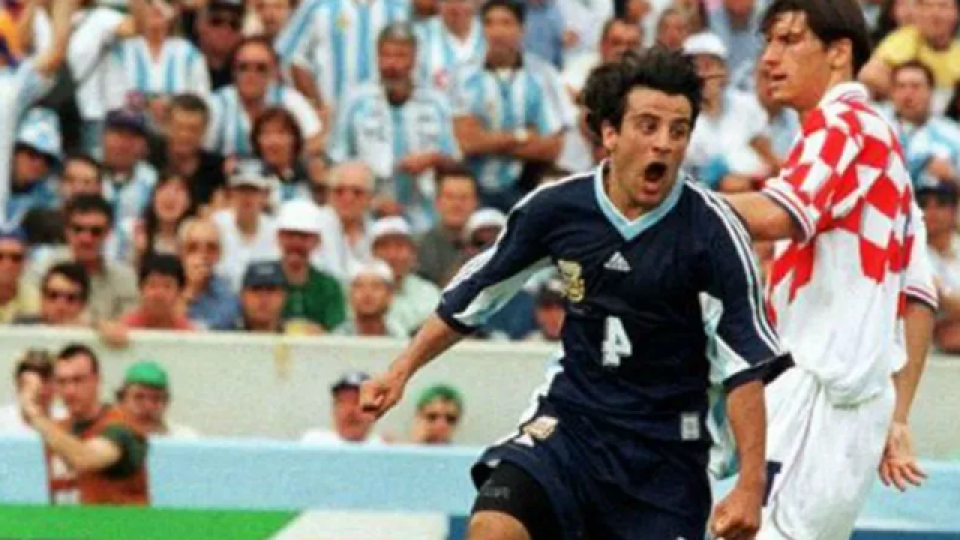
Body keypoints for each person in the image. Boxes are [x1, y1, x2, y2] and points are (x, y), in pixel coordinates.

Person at [361, 47, 786, 540]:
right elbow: (476, 293)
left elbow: (743, 366)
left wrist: (750, 486)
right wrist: (400, 370)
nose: (664, 144)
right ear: (609, 133)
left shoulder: (712, 234)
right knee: (493, 527)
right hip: (571, 426)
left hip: (665, 454)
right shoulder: (558, 208)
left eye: (678, 130)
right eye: (648, 126)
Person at [723, 1, 932, 538]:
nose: (769, 59)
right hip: (851, 402)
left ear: (839, 53)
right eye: (768, 42)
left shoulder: (841, 123)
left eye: (789, 41)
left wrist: (671, 206)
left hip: (820, 392)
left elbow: (779, 214)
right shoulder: (880, 145)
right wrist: (898, 416)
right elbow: (918, 296)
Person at [20, 344, 149, 505]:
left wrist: (35, 414)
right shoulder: (58, 429)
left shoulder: (123, 426)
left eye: (78, 380)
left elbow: (84, 458)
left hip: (117, 520)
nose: (70, 391)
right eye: (62, 382)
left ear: (97, 380)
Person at [115, 360, 200, 439]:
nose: (148, 406)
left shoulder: (186, 438)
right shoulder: (109, 439)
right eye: (139, 397)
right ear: (121, 401)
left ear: (166, 404)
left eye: (156, 399)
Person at [302, 371, 384, 446]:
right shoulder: (313, 444)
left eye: (358, 402)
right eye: (343, 402)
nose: (350, 411)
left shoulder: (382, 449)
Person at [0, 350, 60, 433]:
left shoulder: (65, 421)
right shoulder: (2, 420)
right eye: (31, 383)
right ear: (18, 384)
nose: (39, 390)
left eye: (46, 382)